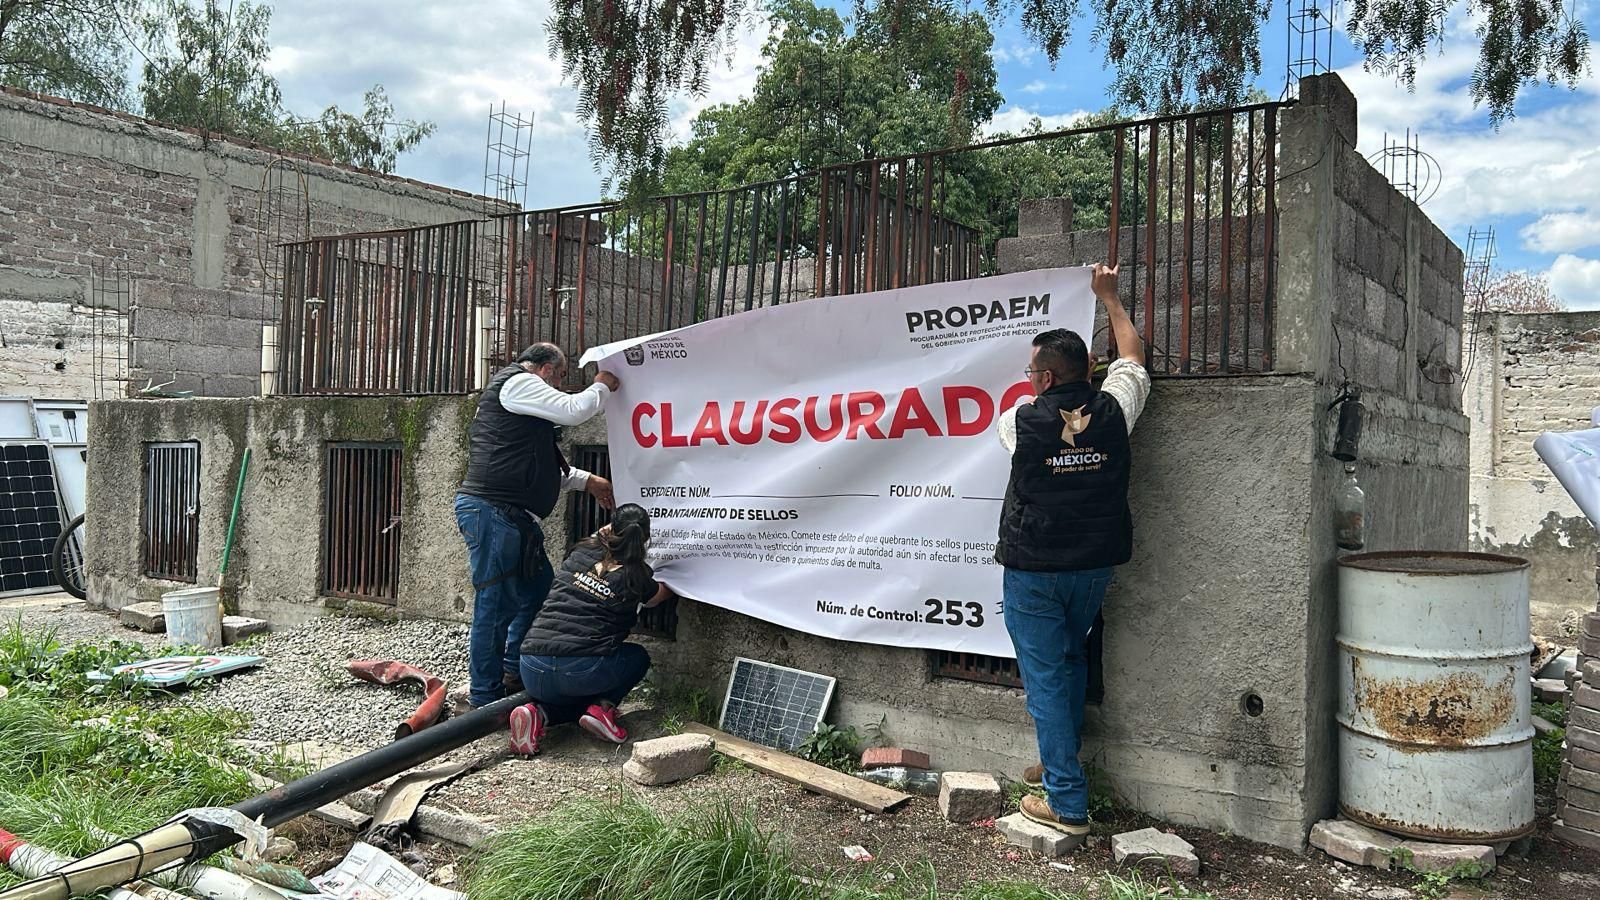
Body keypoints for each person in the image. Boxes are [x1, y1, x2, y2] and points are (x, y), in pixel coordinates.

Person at [994, 263, 1151, 844]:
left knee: (1044, 679)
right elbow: (1133, 358)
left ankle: (1066, 802)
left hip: (1034, 570)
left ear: (1041, 378)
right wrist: (1109, 298)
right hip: (1093, 566)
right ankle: (1060, 759)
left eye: (1031, 372)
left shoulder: (1016, 422)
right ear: (1090, 370)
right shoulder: (1115, 410)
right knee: (1069, 658)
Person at [453, 343, 619, 712]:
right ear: (544, 369)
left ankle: (512, 672)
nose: (560, 384)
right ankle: (484, 698)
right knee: (495, 605)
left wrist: (589, 481)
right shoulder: (518, 383)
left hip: (512, 518)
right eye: (560, 376)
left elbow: (540, 469)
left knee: (539, 593)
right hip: (494, 513)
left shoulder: (524, 407)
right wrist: (603, 384)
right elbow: (575, 410)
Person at [508, 503, 673, 754]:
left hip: (531, 666)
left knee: (574, 695)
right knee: (638, 657)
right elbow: (657, 596)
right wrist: (681, 580)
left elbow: (602, 536)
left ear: (610, 528)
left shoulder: (582, 550)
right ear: (645, 538)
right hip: (580, 670)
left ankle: (537, 713)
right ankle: (602, 709)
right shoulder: (636, 575)